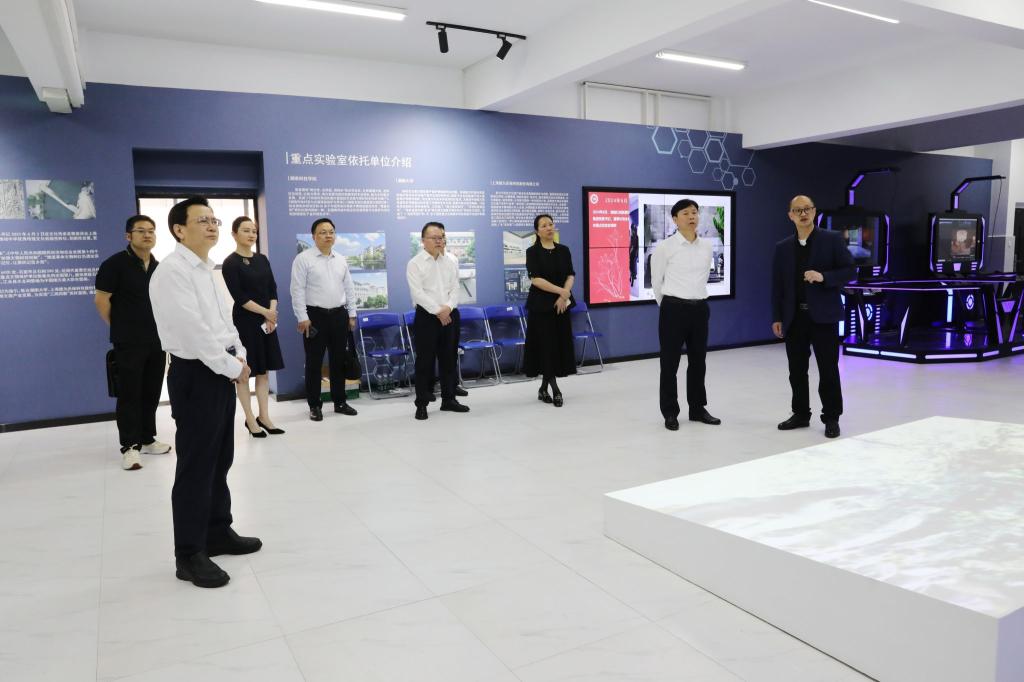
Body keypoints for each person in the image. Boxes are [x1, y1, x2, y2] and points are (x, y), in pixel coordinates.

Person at [149, 196, 262, 589]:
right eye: (203, 220)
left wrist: (239, 354)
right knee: (196, 466)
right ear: (179, 230)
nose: (212, 226)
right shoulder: (172, 272)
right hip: (196, 374)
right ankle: (189, 553)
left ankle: (217, 531)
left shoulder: (207, 269)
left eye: (214, 220)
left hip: (219, 370)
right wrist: (233, 367)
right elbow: (193, 333)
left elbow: (224, 323)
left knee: (220, 458)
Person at [771, 195, 856, 439]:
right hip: (794, 317)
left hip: (824, 317)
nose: (803, 214)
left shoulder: (832, 239)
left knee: (828, 369)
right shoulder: (783, 247)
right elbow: (777, 286)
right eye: (798, 210)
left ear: (815, 211)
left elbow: (850, 270)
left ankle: (831, 417)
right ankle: (800, 414)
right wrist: (777, 316)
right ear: (790, 215)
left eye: (807, 209)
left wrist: (824, 277)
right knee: (796, 370)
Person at [95, 214, 171, 471]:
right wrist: (120, 327)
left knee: (151, 391)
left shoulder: (159, 267)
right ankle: (129, 446)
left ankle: (147, 438)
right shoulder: (114, 264)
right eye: (141, 231)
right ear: (128, 236)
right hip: (128, 341)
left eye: (151, 231)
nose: (147, 235)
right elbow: (101, 301)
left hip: (157, 340)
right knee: (129, 394)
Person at [651, 198, 720, 431]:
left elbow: (703, 277)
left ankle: (698, 409)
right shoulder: (665, 247)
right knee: (669, 363)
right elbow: (657, 281)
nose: (692, 217)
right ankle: (670, 412)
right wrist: (668, 306)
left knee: (698, 361)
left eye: (694, 212)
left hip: (700, 308)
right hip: (673, 309)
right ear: (675, 219)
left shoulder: (706, 246)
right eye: (686, 213)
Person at [289, 218, 359, 421]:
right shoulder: (303, 259)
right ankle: (314, 405)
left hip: (339, 316)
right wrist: (302, 317)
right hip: (314, 318)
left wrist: (352, 314)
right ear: (314, 236)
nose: (328, 235)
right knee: (314, 363)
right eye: (322, 232)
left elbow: (349, 287)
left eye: (331, 232)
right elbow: (297, 290)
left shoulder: (341, 259)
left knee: (338, 361)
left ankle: (340, 402)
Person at [222, 217, 285, 437]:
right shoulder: (230, 263)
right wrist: (266, 313)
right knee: (244, 371)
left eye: (254, 231)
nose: (251, 235)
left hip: (267, 321)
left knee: (263, 371)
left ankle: (264, 417)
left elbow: (272, 289)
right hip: (245, 322)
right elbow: (240, 297)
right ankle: (250, 419)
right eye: (246, 230)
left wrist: (271, 314)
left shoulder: (262, 259)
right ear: (234, 234)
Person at [407, 221, 470, 420]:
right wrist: (438, 311)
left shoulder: (449, 261)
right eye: (434, 237)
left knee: (449, 359)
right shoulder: (415, 263)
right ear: (423, 240)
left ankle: (449, 400)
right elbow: (418, 293)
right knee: (424, 361)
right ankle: (422, 404)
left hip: (450, 314)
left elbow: (455, 288)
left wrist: (448, 308)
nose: (439, 241)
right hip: (427, 317)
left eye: (441, 237)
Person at [523, 213, 576, 406]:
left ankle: (543, 388)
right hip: (541, 307)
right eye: (544, 225)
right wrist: (561, 292)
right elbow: (536, 279)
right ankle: (556, 390)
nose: (549, 228)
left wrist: (564, 295)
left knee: (557, 346)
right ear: (537, 231)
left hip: (562, 305)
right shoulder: (532, 252)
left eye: (551, 224)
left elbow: (570, 274)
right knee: (546, 347)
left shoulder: (564, 250)